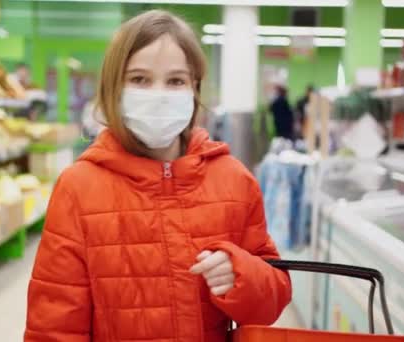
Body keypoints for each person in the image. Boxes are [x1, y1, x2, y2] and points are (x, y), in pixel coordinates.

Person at [25, 10, 291, 342]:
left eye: (175, 80)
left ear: (194, 88)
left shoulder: (234, 180)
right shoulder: (78, 188)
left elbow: (272, 301)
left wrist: (241, 274)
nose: (158, 94)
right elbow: (54, 324)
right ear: (114, 88)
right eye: (139, 79)